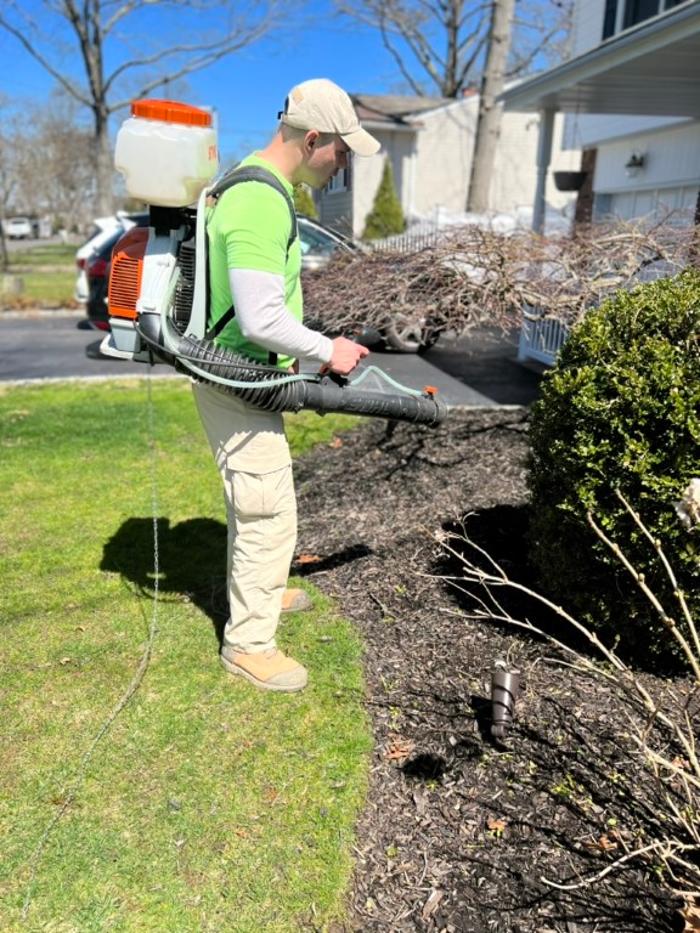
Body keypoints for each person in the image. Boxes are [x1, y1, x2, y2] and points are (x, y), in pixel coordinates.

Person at [192, 78, 380, 693]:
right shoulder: (259, 200)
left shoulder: (254, 185)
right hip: (235, 376)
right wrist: (330, 350)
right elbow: (260, 319)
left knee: (260, 502)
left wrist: (307, 353)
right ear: (313, 138)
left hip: (245, 375)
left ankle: (263, 590)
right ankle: (249, 644)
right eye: (342, 151)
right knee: (266, 511)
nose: (343, 163)